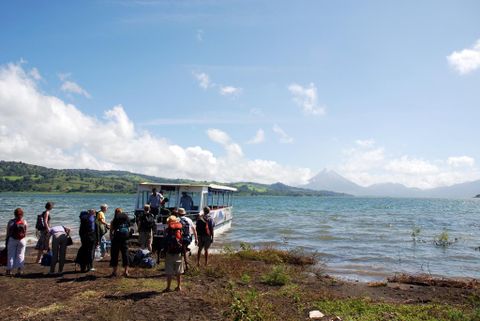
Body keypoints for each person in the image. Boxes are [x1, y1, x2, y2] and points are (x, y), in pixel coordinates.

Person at [163, 215, 184, 292]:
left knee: (169, 271)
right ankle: (179, 286)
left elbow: (164, 242)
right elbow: (183, 241)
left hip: (169, 252)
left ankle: (168, 287)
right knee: (179, 271)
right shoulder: (180, 230)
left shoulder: (167, 230)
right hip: (178, 253)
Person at [5, 208, 27, 276]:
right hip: (22, 240)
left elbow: (8, 233)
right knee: (21, 255)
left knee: (11, 255)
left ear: (14, 214)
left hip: (12, 239)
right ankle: (19, 271)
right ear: (22, 214)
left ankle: (9, 271)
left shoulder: (11, 222)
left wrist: (6, 240)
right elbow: (25, 232)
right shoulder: (24, 221)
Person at [109, 208, 130, 277]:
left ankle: (114, 271)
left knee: (115, 254)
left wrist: (111, 237)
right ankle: (126, 271)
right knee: (125, 253)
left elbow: (111, 230)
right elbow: (129, 228)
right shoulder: (126, 219)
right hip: (125, 238)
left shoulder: (114, 220)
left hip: (116, 238)